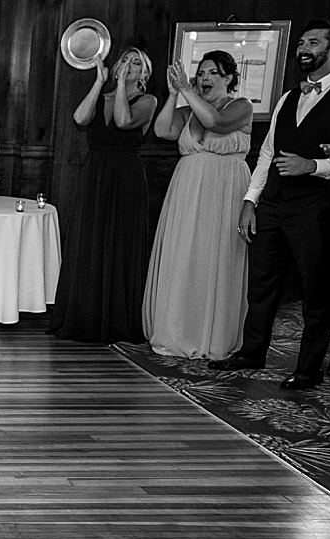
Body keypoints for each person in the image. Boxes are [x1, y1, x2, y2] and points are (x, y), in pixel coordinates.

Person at [209, 19, 330, 390]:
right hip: (275, 205)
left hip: (319, 208)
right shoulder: (289, 96)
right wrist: (250, 201)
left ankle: (309, 368)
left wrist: (312, 165)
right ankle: (252, 352)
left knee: (317, 290)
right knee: (262, 284)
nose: (303, 48)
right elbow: (267, 154)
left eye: (313, 42)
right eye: (301, 42)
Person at [143, 51, 255, 360]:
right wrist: (173, 94)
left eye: (212, 74)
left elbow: (216, 123)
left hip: (225, 189)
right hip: (188, 188)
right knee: (185, 254)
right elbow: (163, 130)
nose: (204, 78)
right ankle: (178, 329)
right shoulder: (188, 108)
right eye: (201, 73)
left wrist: (189, 92)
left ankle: (212, 335)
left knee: (214, 256)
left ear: (229, 78)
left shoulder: (241, 106)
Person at [49, 47, 158, 343]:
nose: (129, 65)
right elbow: (80, 118)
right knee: (90, 239)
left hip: (126, 177)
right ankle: (83, 316)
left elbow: (123, 121)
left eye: (137, 63)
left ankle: (116, 320)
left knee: (119, 241)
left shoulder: (147, 100)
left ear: (144, 74)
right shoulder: (102, 96)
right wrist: (100, 83)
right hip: (95, 174)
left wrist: (121, 85)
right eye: (125, 60)